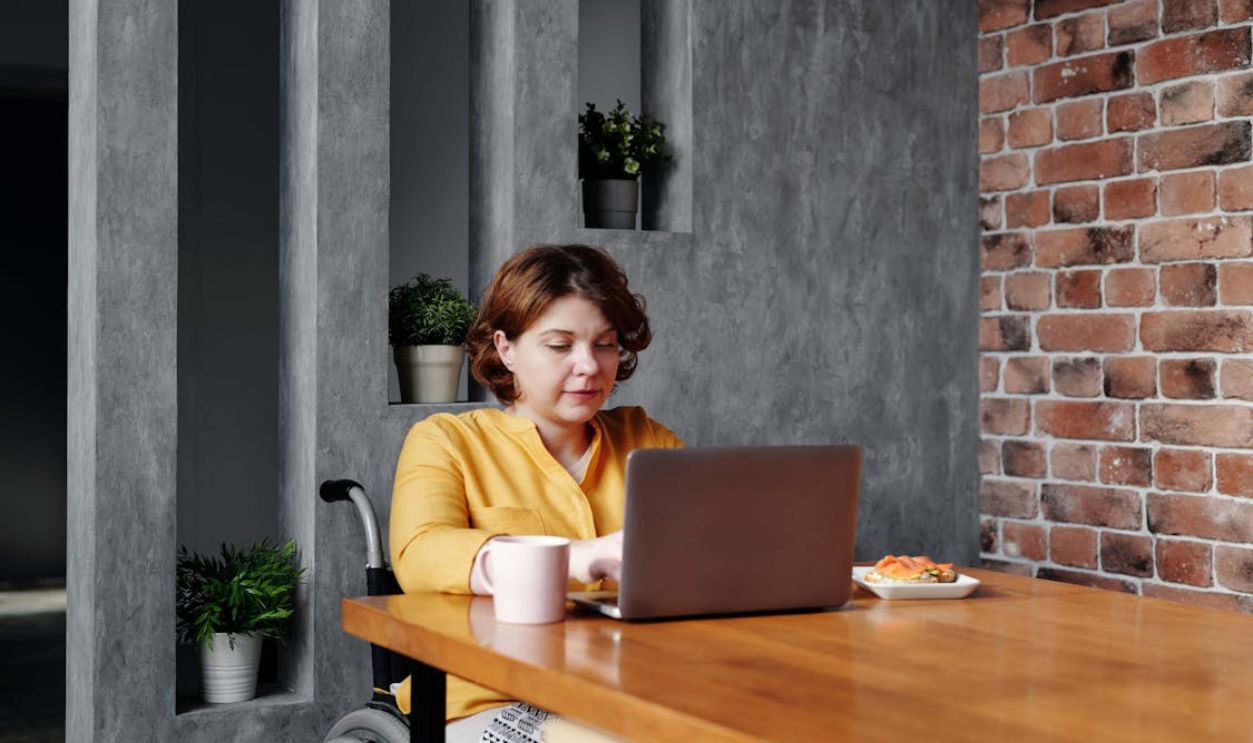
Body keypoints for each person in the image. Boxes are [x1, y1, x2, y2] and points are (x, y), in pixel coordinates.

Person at [389, 244, 684, 743]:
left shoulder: (646, 439)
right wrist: (577, 557)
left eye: (606, 344)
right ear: (506, 349)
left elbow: (707, 554)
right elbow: (420, 552)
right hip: (488, 697)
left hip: (629, 688)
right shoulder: (446, 441)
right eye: (559, 345)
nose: (589, 366)